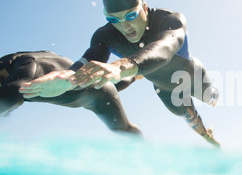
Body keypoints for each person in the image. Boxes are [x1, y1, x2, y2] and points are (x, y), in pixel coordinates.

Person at [19, 0, 220, 147]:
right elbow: (91, 57)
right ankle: (209, 137)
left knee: (211, 98)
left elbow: (164, 49)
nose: (125, 27)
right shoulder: (106, 35)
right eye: (114, 19)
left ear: (144, 5)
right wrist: (69, 76)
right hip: (164, 88)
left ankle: (210, 96)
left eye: (131, 15)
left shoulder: (170, 20)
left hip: (190, 74)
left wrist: (119, 67)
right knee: (189, 117)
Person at [1, 50, 142, 135]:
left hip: (97, 93)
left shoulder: (25, 63)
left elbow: (13, 95)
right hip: (85, 87)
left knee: (123, 130)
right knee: (109, 83)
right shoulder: (15, 67)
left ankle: (139, 71)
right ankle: (138, 74)